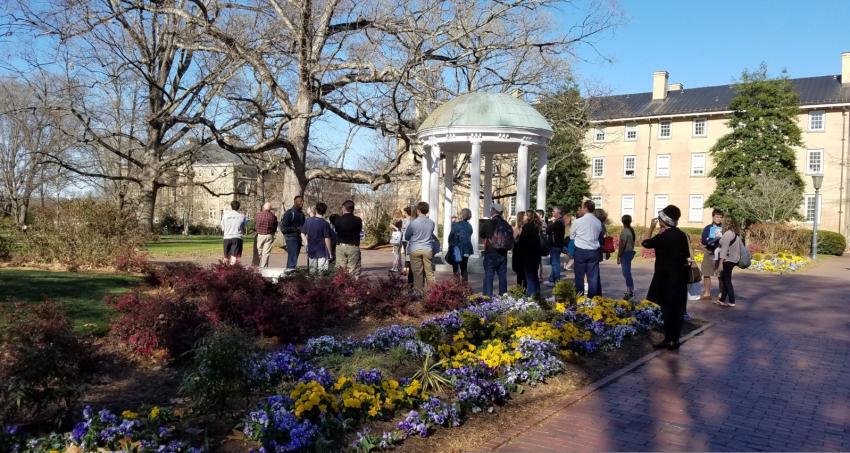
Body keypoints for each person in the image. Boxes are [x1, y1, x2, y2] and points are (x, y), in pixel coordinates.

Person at [642, 205, 690, 350]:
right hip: (680, 277)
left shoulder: (663, 236)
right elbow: (685, 254)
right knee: (678, 309)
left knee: (667, 309)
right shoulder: (681, 235)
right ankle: (675, 339)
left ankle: (669, 339)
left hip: (665, 278)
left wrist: (651, 228)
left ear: (664, 220)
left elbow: (645, 243)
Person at [570, 200, 603, 298]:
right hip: (593, 251)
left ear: (585, 208)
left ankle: (579, 298)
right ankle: (592, 299)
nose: (581, 209)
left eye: (582, 207)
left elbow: (572, 237)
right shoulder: (598, 222)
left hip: (581, 250)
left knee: (579, 277)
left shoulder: (577, 221)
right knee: (592, 278)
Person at [404, 201, 436, 295]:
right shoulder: (431, 223)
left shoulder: (413, 223)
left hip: (415, 248)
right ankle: (434, 293)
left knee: (417, 273)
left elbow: (406, 237)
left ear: (418, 211)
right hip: (427, 248)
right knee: (429, 272)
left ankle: (419, 293)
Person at [480, 203, 512, 297]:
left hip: (491, 252)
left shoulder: (489, 222)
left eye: (491, 209)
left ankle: (488, 297)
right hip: (503, 253)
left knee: (489, 275)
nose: (490, 211)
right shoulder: (506, 224)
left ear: (494, 210)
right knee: (502, 276)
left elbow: (481, 234)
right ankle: (503, 296)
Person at [333, 200, 364, 277]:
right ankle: (353, 287)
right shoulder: (358, 220)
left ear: (343, 208)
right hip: (353, 246)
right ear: (352, 209)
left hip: (340, 246)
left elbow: (337, 230)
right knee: (354, 271)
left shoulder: (338, 219)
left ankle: (341, 287)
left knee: (340, 271)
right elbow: (359, 230)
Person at [716, 215, 742, 308]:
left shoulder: (728, 234)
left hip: (728, 259)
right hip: (733, 259)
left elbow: (724, 248)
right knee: (724, 278)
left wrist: (720, 263)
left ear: (726, 222)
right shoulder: (735, 233)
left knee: (726, 280)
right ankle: (722, 299)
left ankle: (732, 300)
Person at [517, 209, 543, 297]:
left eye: (524, 215)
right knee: (534, 275)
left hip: (528, 255)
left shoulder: (527, 226)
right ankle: (537, 293)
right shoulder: (536, 226)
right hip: (536, 254)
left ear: (528, 217)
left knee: (530, 277)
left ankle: (531, 296)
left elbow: (522, 242)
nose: (523, 217)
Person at [700, 209, 725, 300]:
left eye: (720, 217)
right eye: (717, 217)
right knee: (706, 273)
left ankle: (721, 294)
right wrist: (710, 240)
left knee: (720, 274)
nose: (718, 219)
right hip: (708, 251)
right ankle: (707, 293)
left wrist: (713, 239)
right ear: (713, 217)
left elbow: (725, 240)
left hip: (719, 252)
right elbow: (703, 240)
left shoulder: (724, 228)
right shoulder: (708, 228)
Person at [301, 202, 333, 273]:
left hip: (311, 249)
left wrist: (306, 244)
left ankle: (312, 284)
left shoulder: (308, 221)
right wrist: (330, 253)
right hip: (322, 251)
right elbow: (327, 239)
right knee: (322, 273)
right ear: (325, 211)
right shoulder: (325, 224)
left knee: (312, 272)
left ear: (316, 210)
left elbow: (302, 234)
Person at [447, 208, 474, 281]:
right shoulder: (470, 226)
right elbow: (469, 235)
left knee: (456, 268)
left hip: (457, 249)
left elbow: (450, 237)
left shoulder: (455, 225)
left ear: (462, 215)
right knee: (464, 268)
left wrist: (450, 245)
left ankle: (457, 287)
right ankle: (465, 286)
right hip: (467, 249)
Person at [279, 195, 306, 268]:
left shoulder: (302, 214)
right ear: (295, 202)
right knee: (292, 260)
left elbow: (303, 226)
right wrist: (296, 229)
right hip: (291, 239)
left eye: (303, 201)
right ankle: (289, 277)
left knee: (293, 259)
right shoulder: (289, 213)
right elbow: (283, 228)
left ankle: (288, 276)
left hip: (299, 239)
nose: (302, 203)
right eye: (300, 201)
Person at [544, 207, 566, 287]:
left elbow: (548, 230)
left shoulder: (558, 222)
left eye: (553, 211)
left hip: (555, 245)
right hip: (557, 245)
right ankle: (551, 280)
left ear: (558, 213)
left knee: (555, 264)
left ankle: (556, 281)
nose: (552, 212)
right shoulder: (559, 221)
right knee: (554, 263)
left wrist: (551, 223)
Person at [221, 200, 247, 265]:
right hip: (237, 237)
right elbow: (243, 229)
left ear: (231, 206)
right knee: (234, 256)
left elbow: (222, 229)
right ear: (238, 207)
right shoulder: (242, 216)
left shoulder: (225, 216)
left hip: (227, 237)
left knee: (226, 256)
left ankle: (224, 270)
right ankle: (233, 270)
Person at [252, 202, 278, 268]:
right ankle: (264, 268)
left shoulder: (258, 215)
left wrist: (256, 230)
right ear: (270, 209)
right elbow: (275, 227)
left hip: (260, 235)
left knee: (258, 251)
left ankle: (256, 267)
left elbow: (254, 225)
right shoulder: (273, 216)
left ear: (264, 207)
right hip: (269, 235)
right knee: (266, 253)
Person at [617, 214, 636, 301]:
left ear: (622, 221)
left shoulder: (625, 231)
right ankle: (630, 290)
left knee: (626, 273)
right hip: (629, 253)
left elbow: (622, 244)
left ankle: (630, 292)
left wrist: (619, 255)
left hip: (625, 253)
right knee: (627, 273)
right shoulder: (630, 230)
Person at [593, 209, 610, 296]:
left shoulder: (597, 225)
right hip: (599, 251)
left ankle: (596, 294)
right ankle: (598, 293)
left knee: (593, 274)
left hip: (595, 250)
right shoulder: (602, 225)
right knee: (596, 273)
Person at [512, 211, 527, 288]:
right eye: (524, 215)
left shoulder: (520, 228)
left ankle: (520, 289)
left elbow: (513, 240)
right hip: (520, 252)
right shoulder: (519, 228)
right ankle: (521, 289)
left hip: (520, 252)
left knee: (521, 273)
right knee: (521, 273)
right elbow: (514, 240)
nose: (526, 216)